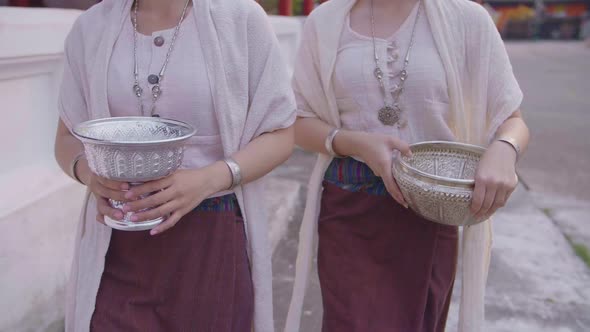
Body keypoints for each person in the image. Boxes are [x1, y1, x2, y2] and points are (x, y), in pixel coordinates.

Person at [285, 0, 530, 331]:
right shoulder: (326, 21)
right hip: (349, 212)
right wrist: (357, 142)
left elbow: (512, 120)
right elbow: (298, 123)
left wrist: (504, 148)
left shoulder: (465, 18)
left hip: (429, 213)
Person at [53, 0, 296, 331]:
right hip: (119, 240)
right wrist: (89, 173)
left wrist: (208, 180)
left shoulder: (240, 18)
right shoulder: (91, 27)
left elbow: (281, 134)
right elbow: (67, 138)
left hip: (212, 238)